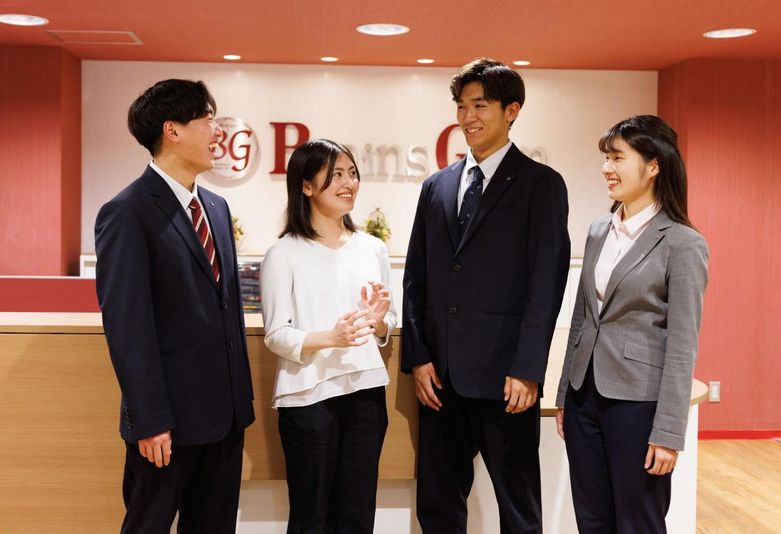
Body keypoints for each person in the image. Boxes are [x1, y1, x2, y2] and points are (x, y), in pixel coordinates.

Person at [402, 58, 570, 533]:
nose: (468, 117)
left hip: (506, 380)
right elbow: (416, 278)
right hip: (441, 380)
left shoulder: (541, 184)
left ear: (511, 110)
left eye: (480, 105)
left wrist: (528, 368)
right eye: (461, 106)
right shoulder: (436, 186)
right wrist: (419, 357)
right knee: (438, 506)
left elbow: (546, 284)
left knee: (518, 509)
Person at [95, 79, 255, 533]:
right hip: (166, 424)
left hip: (225, 417)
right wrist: (150, 420)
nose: (218, 132)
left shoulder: (216, 208)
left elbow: (226, 311)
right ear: (173, 130)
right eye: (208, 120)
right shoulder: (127, 211)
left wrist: (239, 403)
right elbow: (128, 327)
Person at [555, 115, 709, 533]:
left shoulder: (683, 243)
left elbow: (682, 345)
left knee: (639, 522)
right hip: (585, 398)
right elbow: (582, 317)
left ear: (653, 165)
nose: (607, 167)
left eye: (618, 158)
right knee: (591, 520)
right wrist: (565, 394)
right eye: (606, 157)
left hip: (639, 406)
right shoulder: (598, 230)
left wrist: (669, 432)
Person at [260, 139, 397, 533]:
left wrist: (380, 321)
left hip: (366, 393)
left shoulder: (372, 248)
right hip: (308, 396)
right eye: (335, 174)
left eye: (352, 173)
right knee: (311, 517)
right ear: (306, 186)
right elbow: (276, 334)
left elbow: (388, 322)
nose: (348, 183)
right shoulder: (283, 253)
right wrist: (330, 338)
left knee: (357, 516)